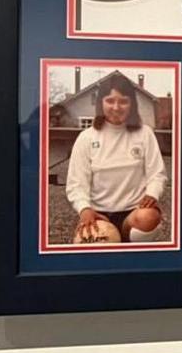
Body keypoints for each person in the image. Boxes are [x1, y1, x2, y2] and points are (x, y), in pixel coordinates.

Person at [65, 72, 168, 244]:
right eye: (110, 101)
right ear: (101, 103)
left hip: (133, 213)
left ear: (132, 104)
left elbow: (157, 174)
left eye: (123, 101)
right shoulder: (87, 138)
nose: (116, 107)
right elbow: (76, 183)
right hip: (98, 214)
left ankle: (131, 245)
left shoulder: (145, 134)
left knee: (149, 217)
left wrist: (152, 193)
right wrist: (84, 209)